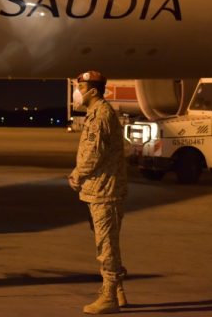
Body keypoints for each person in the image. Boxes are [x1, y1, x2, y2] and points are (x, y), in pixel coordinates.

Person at [68, 71, 129, 314]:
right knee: (106, 243)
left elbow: (93, 154)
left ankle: (109, 297)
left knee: (107, 246)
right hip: (99, 190)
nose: (77, 92)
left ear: (93, 91)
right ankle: (118, 291)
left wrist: (77, 175)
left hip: (104, 191)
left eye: (81, 88)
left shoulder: (100, 115)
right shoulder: (97, 113)